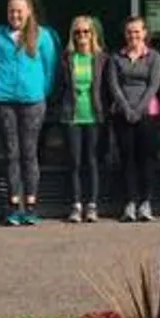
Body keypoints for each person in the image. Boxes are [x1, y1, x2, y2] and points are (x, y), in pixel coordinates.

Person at [0, 0, 60, 225]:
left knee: (29, 152)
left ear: (29, 12)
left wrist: (40, 92)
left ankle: (31, 203)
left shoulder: (43, 36)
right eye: (11, 11)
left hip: (33, 100)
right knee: (11, 153)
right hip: (5, 99)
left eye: (19, 11)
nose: (15, 15)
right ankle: (14, 203)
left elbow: (50, 69)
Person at [52, 16, 109, 222]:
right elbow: (59, 86)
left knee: (92, 160)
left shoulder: (101, 58)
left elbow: (106, 88)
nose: (82, 36)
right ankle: (76, 204)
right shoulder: (67, 58)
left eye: (86, 32)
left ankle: (92, 204)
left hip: (94, 115)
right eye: (77, 32)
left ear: (93, 34)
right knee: (74, 161)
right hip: (72, 115)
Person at [108, 16, 160, 223]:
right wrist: (126, 109)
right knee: (127, 159)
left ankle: (146, 202)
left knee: (146, 159)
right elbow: (114, 86)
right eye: (130, 32)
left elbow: (154, 85)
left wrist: (138, 109)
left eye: (137, 31)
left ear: (145, 33)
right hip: (122, 114)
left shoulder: (154, 57)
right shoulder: (116, 57)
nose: (133, 35)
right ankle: (130, 202)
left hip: (147, 113)